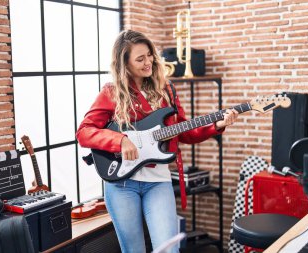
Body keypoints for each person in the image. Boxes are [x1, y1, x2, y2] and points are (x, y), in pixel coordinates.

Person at [76, 30, 239, 253]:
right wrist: (120, 140)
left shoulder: (167, 90)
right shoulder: (112, 92)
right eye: (140, 59)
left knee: (169, 249)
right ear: (125, 64)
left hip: (158, 181)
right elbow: (84, 132)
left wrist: (217, 125)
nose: (148, 62)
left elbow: (184, 132)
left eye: (150, 55)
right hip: (121, 184)